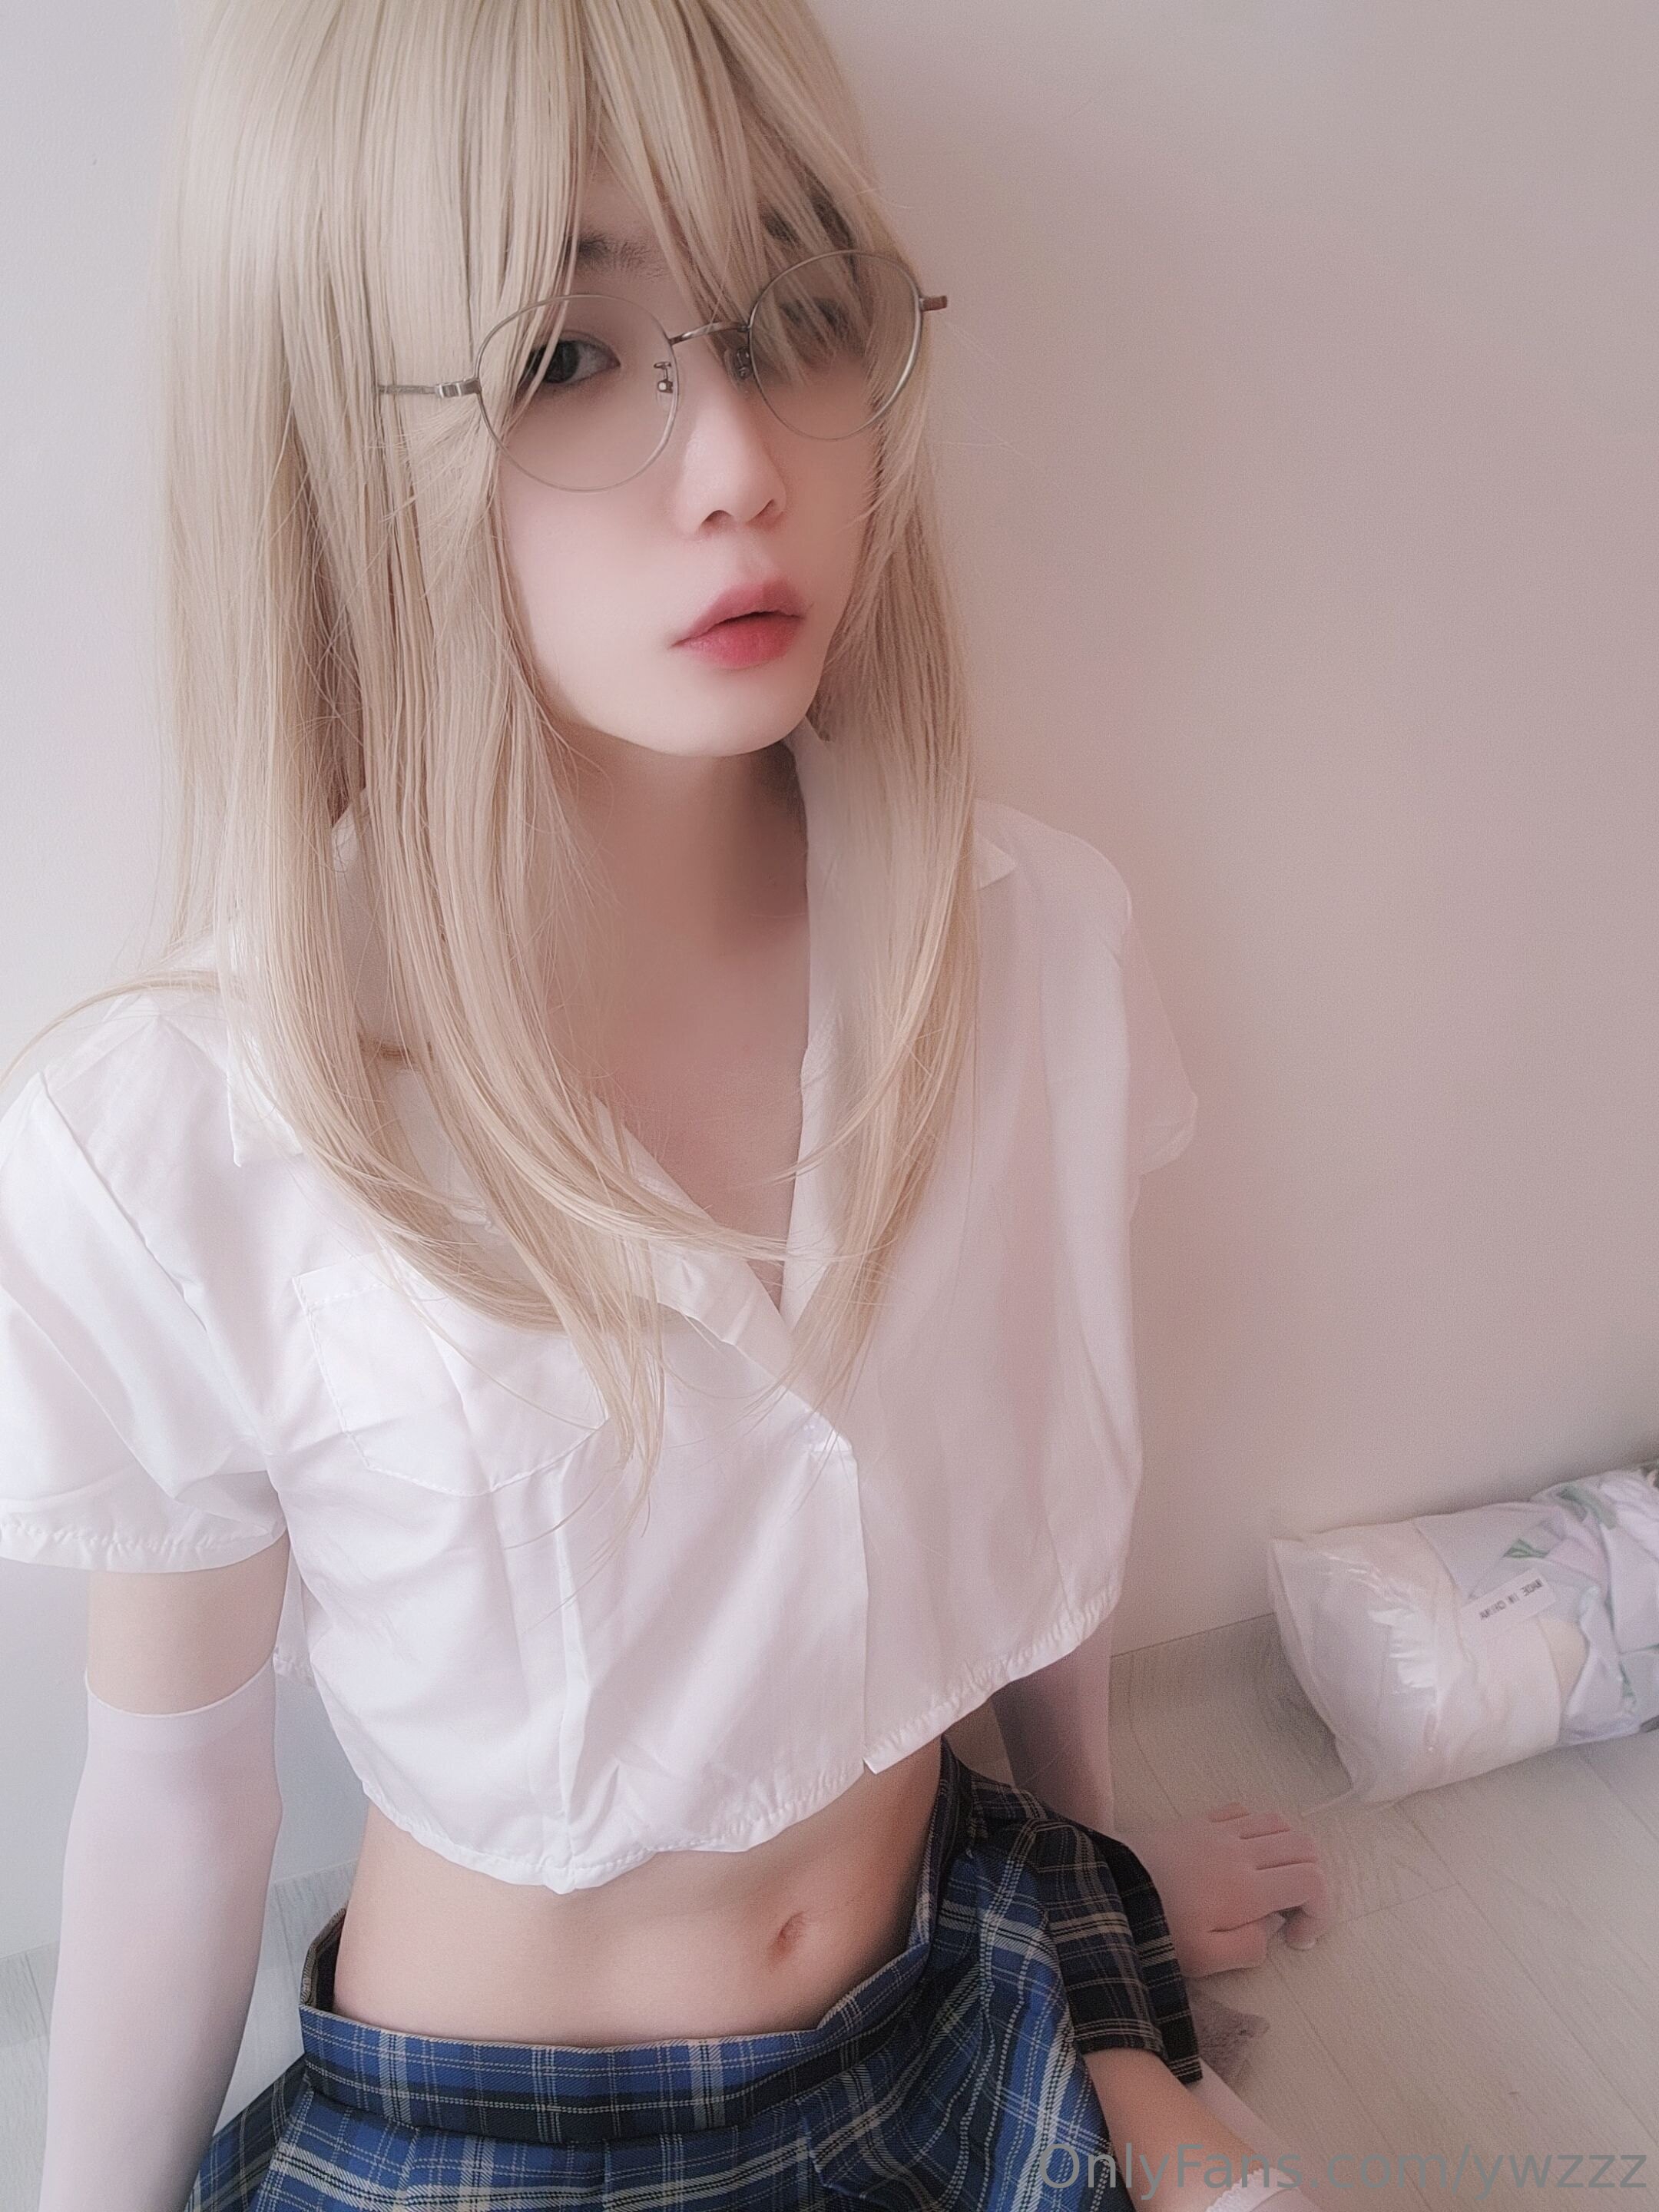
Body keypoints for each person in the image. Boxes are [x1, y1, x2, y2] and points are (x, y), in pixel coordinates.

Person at [0, 2, 1331, 2206]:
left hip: (953, 1970)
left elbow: (1028, 1523)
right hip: (512, 2132)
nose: (738, 462)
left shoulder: (1036, 952)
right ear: (338, 438)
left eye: (794, 317)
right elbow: (173, 1793)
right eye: (561, 356)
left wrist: (1090, 1903)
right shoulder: (183, 1141)